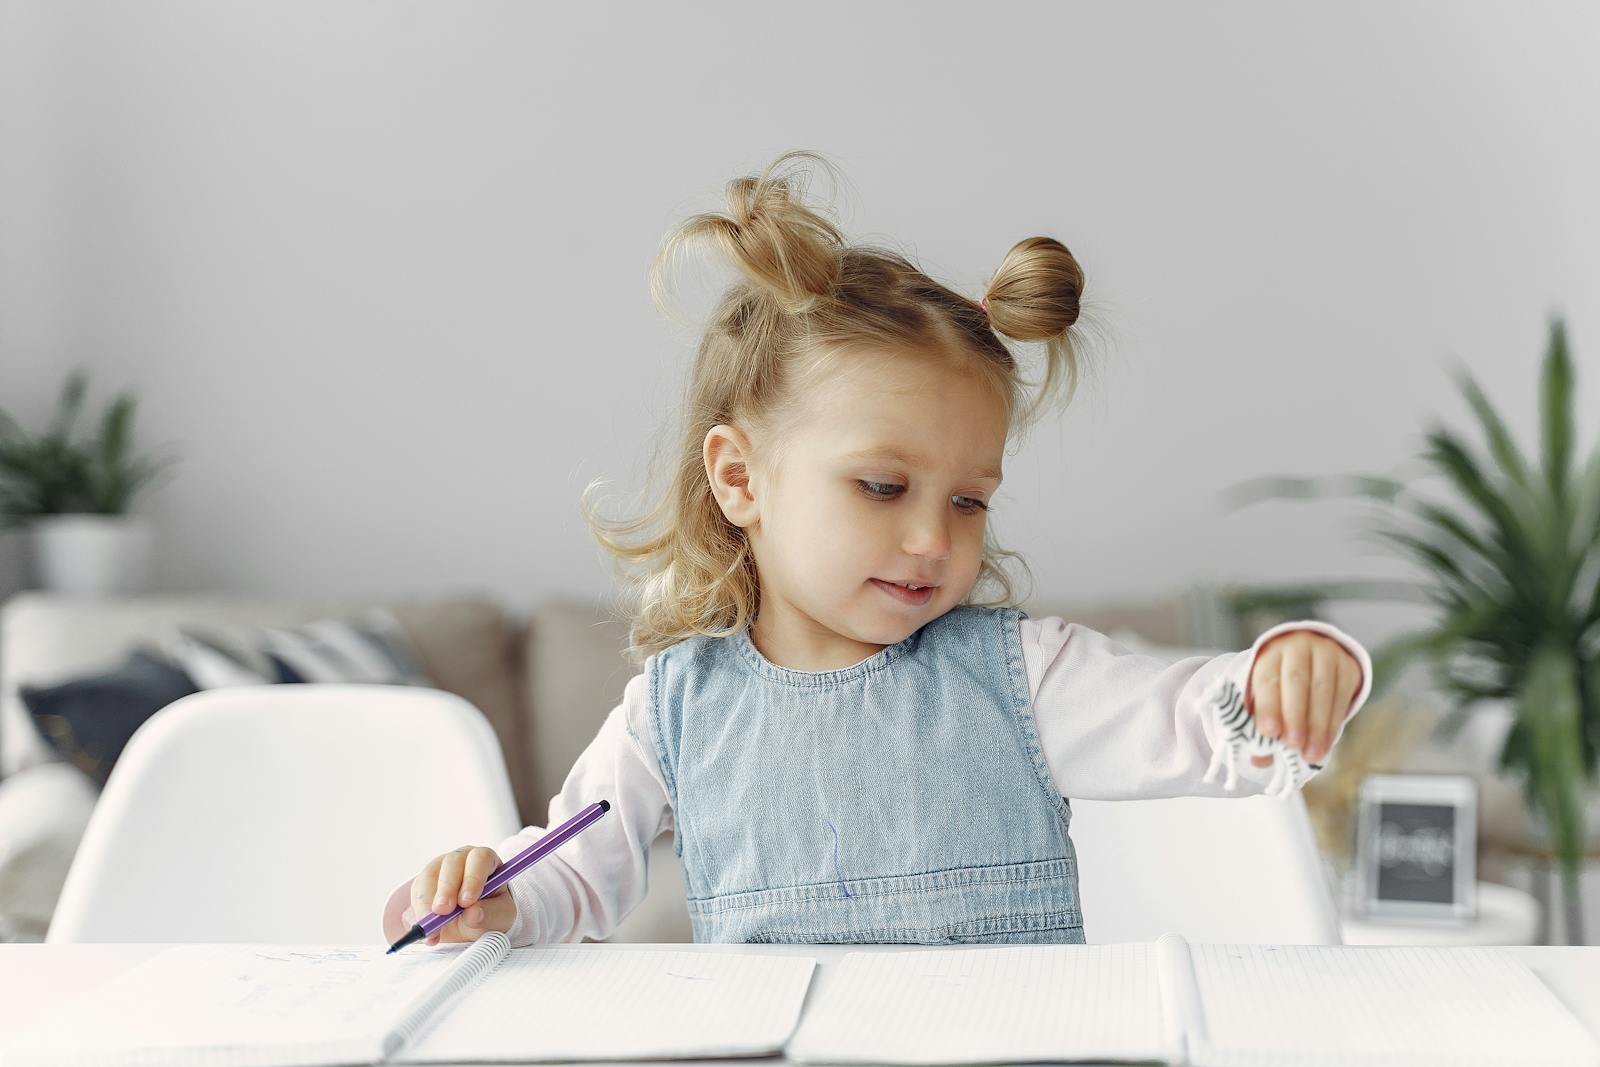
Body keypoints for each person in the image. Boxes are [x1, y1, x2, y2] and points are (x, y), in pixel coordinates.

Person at [381, 150, 1372, 948]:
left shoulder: (1022, 677)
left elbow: (1208, 722)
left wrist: (1292, 670)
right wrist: (495, 894)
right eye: (882, 485)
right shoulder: (670, 713)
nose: (932, 536)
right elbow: (571, 872)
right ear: (739, 478)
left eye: (969, 500)